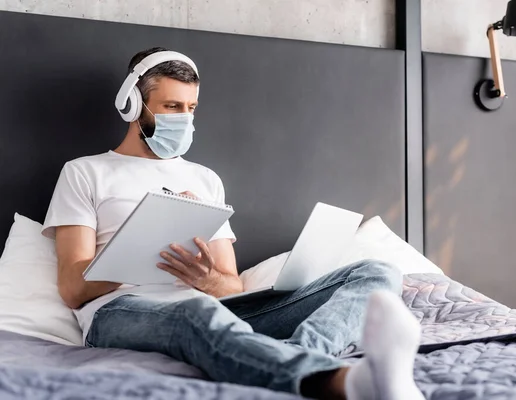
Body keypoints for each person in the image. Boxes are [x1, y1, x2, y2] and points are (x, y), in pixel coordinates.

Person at [42, 47, 424, 400]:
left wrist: (206, 279)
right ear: (133, 106)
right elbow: (73, 288)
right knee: (197, 314)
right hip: (117, 313)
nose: (184, 119)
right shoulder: (85, 172)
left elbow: (231, 285)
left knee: (377, 273)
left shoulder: (205, 180)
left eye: (191, 108)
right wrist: (141, 244)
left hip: (213, 311)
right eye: (172, 106)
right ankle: (337, 382)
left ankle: (288, 358)